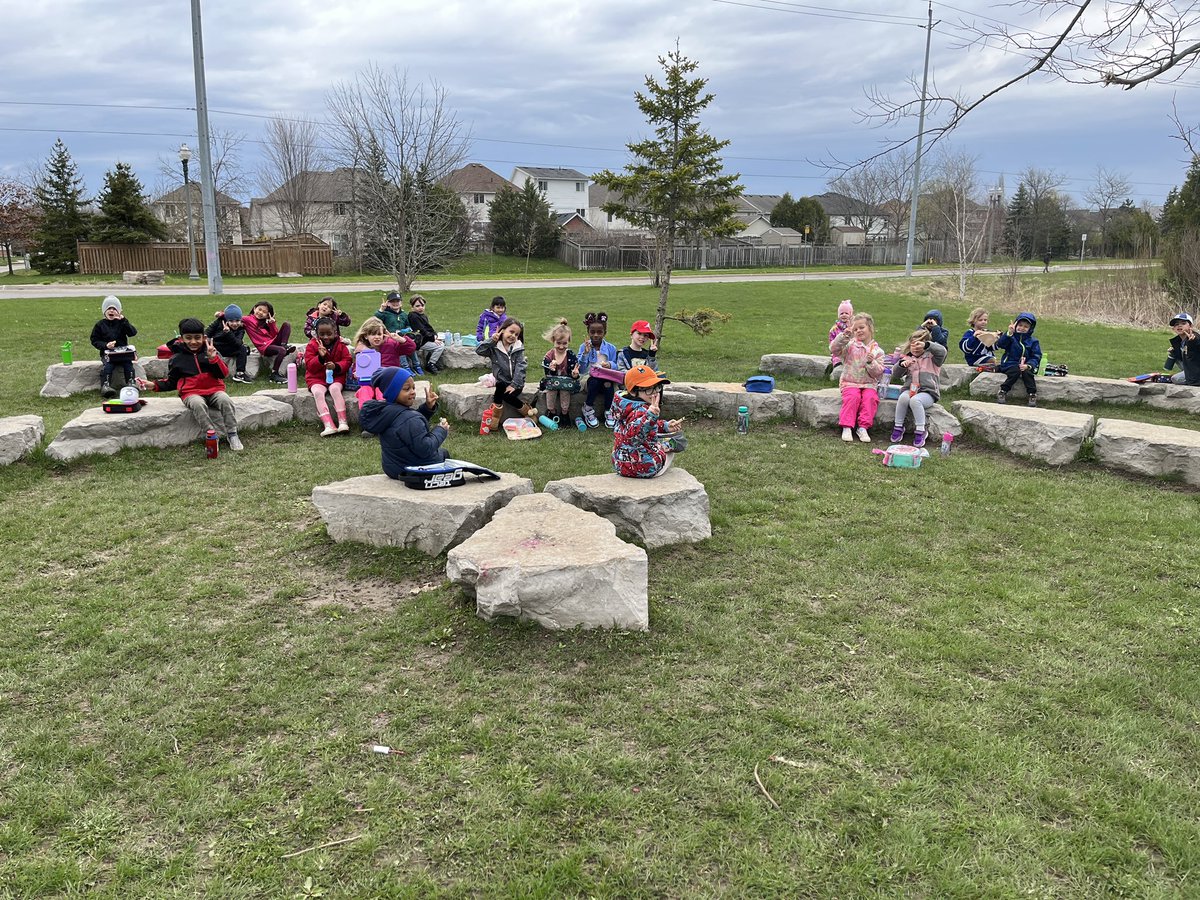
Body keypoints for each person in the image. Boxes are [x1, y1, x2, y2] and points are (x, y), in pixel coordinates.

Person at [136, 318, 242, 450]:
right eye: (188, 338)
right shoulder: (177, 358)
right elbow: (172, 382)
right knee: (198, 404)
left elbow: (223, 374)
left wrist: (213, 359)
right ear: (181, 338)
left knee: (226, 400)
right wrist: (154, 385)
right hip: (191, 393)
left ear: (204, 337)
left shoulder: (211, 351)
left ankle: (232, 434)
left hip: (214, 390)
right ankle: (211, 435)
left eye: (197, 338)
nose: (193, 342)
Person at [358, 367, 450, 478]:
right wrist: (441, 430)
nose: (412, 392)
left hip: (394, 468)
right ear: (392, 392)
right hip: (417, 469)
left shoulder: (386, 412)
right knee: (444, 453)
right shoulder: (409, 418)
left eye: (413, 388)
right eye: (407, 389)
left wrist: (427, 408)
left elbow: (406, 426)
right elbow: (425, 449)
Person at [612, 364, 685, 478]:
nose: (655, 392)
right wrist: (650, 415)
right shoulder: (642, 410)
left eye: (657, 387)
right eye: (649, 389)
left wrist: (665, 426)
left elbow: (634, 427)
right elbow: (634, 438)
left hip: (620, 463)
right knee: (678, 440)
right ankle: (668, 444)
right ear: (633, 391)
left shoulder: (622, 406)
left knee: (662, 438)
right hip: (643, 467)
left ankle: (665, 443)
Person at [830, 312, 885, 442]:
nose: (858, 331)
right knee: (852, 397)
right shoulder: (849, 346)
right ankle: (847, 427)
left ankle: (863, 427)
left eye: (861, 327)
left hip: (868, 384)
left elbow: (878, 373)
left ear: (870, 328)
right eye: (855, 329)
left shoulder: (878, 351)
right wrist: (843, 337)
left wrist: (872, 363)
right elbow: (834, 349)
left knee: (870, 398)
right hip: (850, 382)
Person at [889, 328, 947, 448]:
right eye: (913, 345)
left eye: (919, 345)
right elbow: (896, 374)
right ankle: (898, 426)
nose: (915, 348)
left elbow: (943, 351)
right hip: (910, 390)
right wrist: (901, 365)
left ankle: (921, 430)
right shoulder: (908, 358)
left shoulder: (933, 358)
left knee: (915, 401)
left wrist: (927, 345)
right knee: (903, 399)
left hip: (928, 393)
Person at [475, 318, 538, 426]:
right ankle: (495, 416)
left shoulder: (518, 349)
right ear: (502, 330)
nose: (513, 336)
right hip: (502, 380)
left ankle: (527, 411)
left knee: (507, 396)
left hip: (516, 382)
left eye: (516, 334)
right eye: (511, 332)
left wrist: (515, 384)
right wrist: (492, 340)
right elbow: (479, 350)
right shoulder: (494, 347)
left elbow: (521, 366)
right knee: (499, 388)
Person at [352, 318, 417, 410]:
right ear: (366, 336)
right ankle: (366, 413)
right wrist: (356, 373)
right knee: (364, 391)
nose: (377, 337)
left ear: (384, 334)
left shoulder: (391, 344)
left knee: (381, 392)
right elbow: (357, 367)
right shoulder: (362, 350)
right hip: (368, 382)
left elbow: (411, 348)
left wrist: (400, 339)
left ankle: (385, 412)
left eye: (379, 334)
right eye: (373, 334)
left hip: (387, 381)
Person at [304, 316, 352, 436]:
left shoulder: (341, 345)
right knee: (318, 393)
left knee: (335, 389)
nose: (325, 337)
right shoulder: (312, 345)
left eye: (329, 334)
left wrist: (336, 366)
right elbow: (310, 365)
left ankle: (343, 421)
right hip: (316, 378)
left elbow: (347, 360)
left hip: (336, 376)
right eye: (322, 334)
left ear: (335, 332)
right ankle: (328, 424)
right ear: (316, 333)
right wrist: (320, 358)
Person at [89, 295, 138, 398]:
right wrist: (105, 345)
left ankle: (131, 382)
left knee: (128, 364)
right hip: (108, 354)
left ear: (119, 311)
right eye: (109, 309)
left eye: (114, 309)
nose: (111, 311)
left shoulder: (122, 323)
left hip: (123, 353)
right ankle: (106, 386)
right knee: (108, 366)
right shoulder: (100, 325)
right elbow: (94, 340)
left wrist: (124, 320)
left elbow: (132, 332)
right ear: (104, 311)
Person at [577, 311, 619, 429]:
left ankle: (609, 410)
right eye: (592, 332)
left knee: (607, 383)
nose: (596, 335)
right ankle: (588, 407)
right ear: (588, 332)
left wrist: (610, 365)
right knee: (595, 380)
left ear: (604, 333)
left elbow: (616, 365)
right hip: (589, 379)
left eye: (599, 332)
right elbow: (581, 369)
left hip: (606, 378)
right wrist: (585, 354)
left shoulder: (611, 348)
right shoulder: (584, 347)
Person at [995, 312, 1042, 407]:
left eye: (1025, 326)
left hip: (1025, 364)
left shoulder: (1033, 341)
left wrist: (1029, 365)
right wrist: (1009, 333)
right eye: (1020, 325)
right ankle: (1003, 390)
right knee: (1015, 372)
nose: (1022, 328)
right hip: (1010, 364)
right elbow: (1000, 344)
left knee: (1028, 373)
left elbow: (1036, 355)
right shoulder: (1011, 337)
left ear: (1030, 328)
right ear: (1015, 325)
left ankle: (1032, 394)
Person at [540, 318, 580, 426]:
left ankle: (564, 414)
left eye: (565, 343)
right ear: (553, 341)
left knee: (565, 396)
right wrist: (551, 369)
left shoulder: (570, 355)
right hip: (552, 383)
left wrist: (574, 374)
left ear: (569, 342)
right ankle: (552, 413)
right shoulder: (549, 355)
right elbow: (547, 374)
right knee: (550, 396)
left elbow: (574, 372)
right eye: (558, 343)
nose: (561, 346)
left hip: (565, 383)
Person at [243, 300, 294, 384]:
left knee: (286, 324)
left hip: (272, 342)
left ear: (268, 315)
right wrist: (221, 314)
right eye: (259, 309)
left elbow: (275, 335)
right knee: (282, 350)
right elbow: (234, 317)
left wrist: (272, 324)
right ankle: (274, 374)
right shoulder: (248, 319)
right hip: (264, 348)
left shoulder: (266, 323)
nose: (260, 313)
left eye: (264, 312)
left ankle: (284, 345)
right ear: (254, 308)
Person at [376, 291, 421, 372]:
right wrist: (381, 309)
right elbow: (375, 320)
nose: (395, 303)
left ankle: (416, 365)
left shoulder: (403, 314)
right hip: (390, 337)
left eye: (397, 301)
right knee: (398, 347)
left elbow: (408, 325)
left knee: (411, 347)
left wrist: (407, 329)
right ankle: (405, 366)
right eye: (392, 301)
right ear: (388, 303)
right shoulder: (385, 314)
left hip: (402, 336)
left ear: (401, 303)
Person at [205, 304, 250, 383]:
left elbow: (238, 343)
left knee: (243, 348)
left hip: (229, 348)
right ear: (226, 320)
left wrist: (228, 333)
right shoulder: (219, 322)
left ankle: (240, 373)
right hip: (217, 347)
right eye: (231, 321)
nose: (235, 324)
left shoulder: (241, 329)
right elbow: (207, 333)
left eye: (237, 321)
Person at [406, 294, 445, 375]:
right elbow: (421, 330)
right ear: (412, 307)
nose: (421, 308)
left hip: (426, 338)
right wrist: (433, 339)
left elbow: (428, 328)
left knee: (440, 341)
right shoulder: (413, 316)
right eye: (417, 306)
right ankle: (431, 364)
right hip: (419, 341)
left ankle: (430, 359)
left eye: (422, 305)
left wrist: (435, 335)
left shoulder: (423, 315)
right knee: (440, 346)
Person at [1164, 312, 1200, 386]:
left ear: (1190, 326)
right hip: (1190, 368)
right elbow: (1186, 358)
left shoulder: (1194, 338)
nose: (1179, 325)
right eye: (1176, 324)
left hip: (1197, 371)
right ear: (1173, 328)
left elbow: (1197, 345)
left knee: (1175, 379)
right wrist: (1175, 352)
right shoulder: (1178, 341)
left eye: (1183, 323)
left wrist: (1193, 341)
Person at [828, 299, 854, 377]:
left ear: (851, 314)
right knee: (838, 363)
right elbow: (832, 344)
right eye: (841, 313)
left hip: (851, 353)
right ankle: (837, 370)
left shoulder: (854, 327)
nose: (844, 315)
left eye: (846, 313)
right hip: (838, 353)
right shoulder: (834, 329)